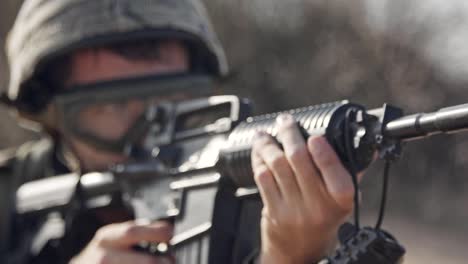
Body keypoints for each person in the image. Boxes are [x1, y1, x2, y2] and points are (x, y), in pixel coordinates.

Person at [0, 0, 357, 263]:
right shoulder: (8, 203)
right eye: (111, 108)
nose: (149, 130)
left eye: (172, 99)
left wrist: (291, 255)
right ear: (51, 119)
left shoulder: (268, 205)